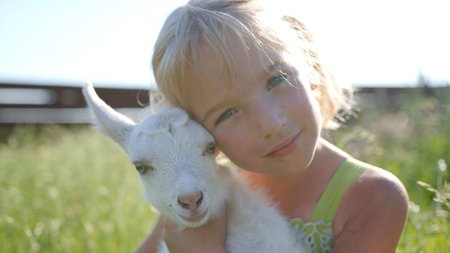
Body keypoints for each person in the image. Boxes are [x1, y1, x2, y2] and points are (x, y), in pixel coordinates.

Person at [137, 0, 409, 252]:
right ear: (201, 136)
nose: (270, 124)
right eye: (228, 112)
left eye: (276, 80)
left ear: (309, 63)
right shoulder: (202, 195)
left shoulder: (373, 198)